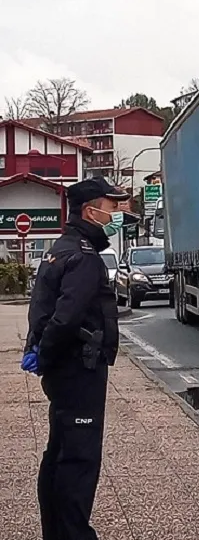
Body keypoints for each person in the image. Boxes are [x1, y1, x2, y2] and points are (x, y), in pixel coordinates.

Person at [20, 176, 129, 540]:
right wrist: (46, 353)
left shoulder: (60, 249)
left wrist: (37, 350)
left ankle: (56, 532)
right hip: (79, 369)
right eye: (111, 207)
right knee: (78, 460)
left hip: (64, 370)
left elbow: (40, 309)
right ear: (91, 211)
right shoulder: (83, 258)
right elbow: (66, 317)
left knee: (59, 453)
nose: (116, 213)